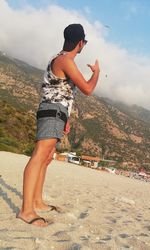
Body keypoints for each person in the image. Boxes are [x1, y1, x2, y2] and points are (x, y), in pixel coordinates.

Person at [17, 24, 100, 226]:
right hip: (52, 111)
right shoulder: (65, 60)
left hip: (57, 112)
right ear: (80, 43)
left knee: (46, 158)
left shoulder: (61, 59)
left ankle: (37, 201)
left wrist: (66, 118)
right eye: (84, 42)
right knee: (39, 156)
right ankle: (26, 210)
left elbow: (61, 90)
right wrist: (97, 72)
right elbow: (88, 89)